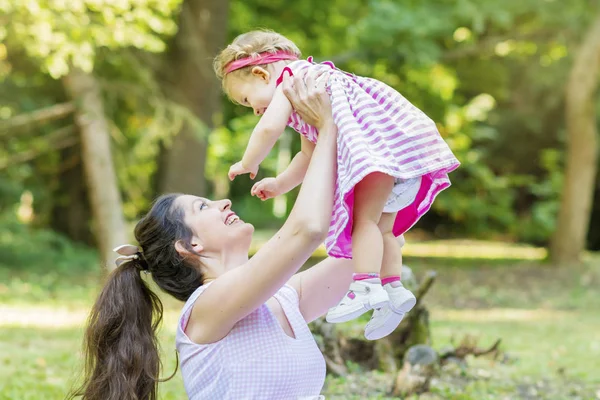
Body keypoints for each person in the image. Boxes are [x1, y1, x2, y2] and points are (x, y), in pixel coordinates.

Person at [69, 69, 362, 400]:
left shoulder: (283, 297)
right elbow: (306, 229)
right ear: (189, 245)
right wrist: (326, 130)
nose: (223, 202)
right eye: (203, 207)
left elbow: (368, 251)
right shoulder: (206, 307)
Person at [213, 30, 459, 340]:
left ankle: (366, 285)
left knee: (365, 222)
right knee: (385, 230)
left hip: (374, 157)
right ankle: (393, 288)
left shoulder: (291, 83)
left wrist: (248, 162)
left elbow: (268, 130)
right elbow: (309, 153)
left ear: (262, 74)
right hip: (392, 156)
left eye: (247, 100)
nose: (254, 110)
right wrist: (280, 184)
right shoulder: (310, 89)